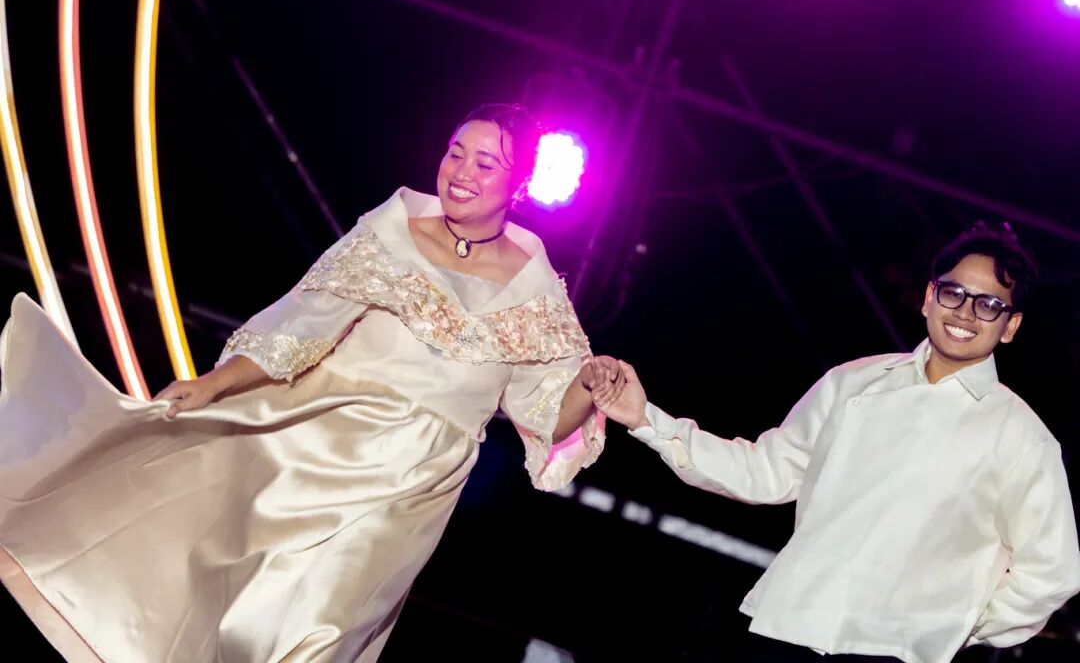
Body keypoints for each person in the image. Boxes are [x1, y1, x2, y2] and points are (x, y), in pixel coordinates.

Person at [0, 103, 622, 662]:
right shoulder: (395, 226)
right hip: (316, 442)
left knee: (324, 627)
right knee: (229, 590)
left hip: (412, 488)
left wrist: (593, 385)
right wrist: (215, 383)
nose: (461, 171)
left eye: (485, 163)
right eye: (456, 152)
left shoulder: (536, 288)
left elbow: (546, 413)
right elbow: (305, 322)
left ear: (520, 185)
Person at [594, 222, 1080, 663]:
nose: (966, 313)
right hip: (788, 630)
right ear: (929, 297)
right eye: (954, 293)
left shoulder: (1021, 436)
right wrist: (646, 420)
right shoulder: (853, 382)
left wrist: (958, 627)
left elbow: (1051, 573)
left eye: (989, 304)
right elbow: (764, 472)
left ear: (1010, 325)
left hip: (897, 654)